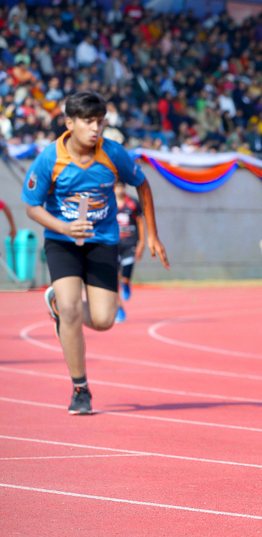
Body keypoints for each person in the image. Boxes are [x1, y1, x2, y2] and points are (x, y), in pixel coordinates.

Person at [21, 91, 169, 415]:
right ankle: (80, 388)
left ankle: (56, 303)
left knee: (104, 320)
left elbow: (142, 185)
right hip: (63, 242)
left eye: (100, 122)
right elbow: (32, 207)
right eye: (88, 122)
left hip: (103, 240)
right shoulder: (50, 158)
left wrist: (153, 235)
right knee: (73, 311)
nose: (95, 129)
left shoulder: (113, 154)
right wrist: (63, 228)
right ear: (69, 122)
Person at [113, 181, 146, 323]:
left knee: (124, 278)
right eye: (117, 186)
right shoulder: (109, 204)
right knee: (113, 279)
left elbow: (140, 222)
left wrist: (142, 243)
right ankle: (118, 308)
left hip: (130, 244)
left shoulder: (132, 203)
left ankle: (126, 284)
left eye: (122, 186)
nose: (120, 189)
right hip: (113, 245)